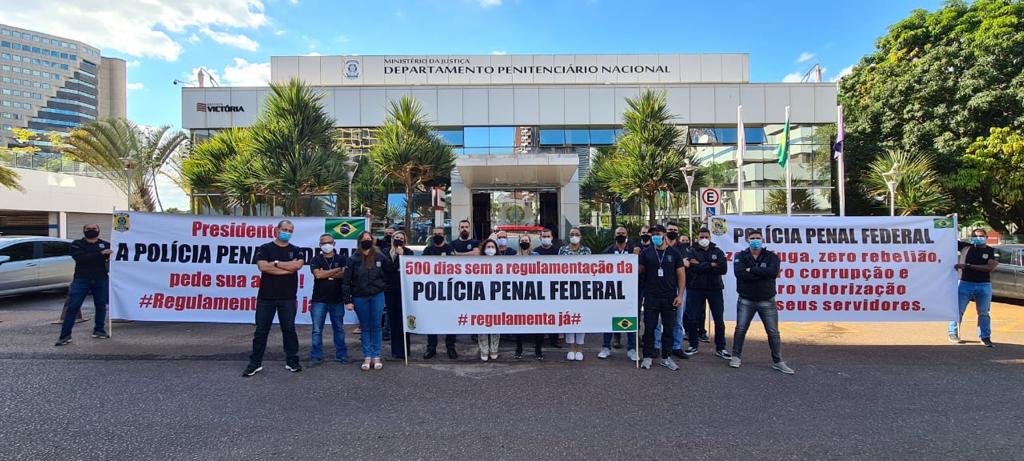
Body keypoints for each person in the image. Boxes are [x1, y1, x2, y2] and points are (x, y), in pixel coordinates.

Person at [242, 220, 304, 377]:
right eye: (284, 229)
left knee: (289, 330)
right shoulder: (265, 248)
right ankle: (255, 363)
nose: (287, 232)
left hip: (288, 298)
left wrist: (275, 264)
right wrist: (286, 268)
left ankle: (292, 361)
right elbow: (263, 267)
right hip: (266, 298)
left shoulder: (297, 250)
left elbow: (297, 266)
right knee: (261, 331)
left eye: (290, 230)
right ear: (276, 230)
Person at [730, 229, 793, 374]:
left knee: (773, 332)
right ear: (747, 240)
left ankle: (778, 361)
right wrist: (760, 273)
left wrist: (751, 270)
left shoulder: (771, 256)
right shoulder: (740, 256)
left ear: (762, 239)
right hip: (746, 300)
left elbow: (772, 273)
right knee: (740, 329)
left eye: (758, 238)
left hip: (767, 300)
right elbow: (739, 274)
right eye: (752, 238)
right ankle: (736, 357)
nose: (755, 240)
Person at [55, 224, 111, 346]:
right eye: (88, 229)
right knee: (73, 307)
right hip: (81, 279)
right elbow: (81, 258)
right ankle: (65, 336)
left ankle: (99, 330)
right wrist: (100, 254)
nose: (91, 231)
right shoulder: (77, 244)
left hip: (100, 279)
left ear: (99, 231)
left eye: (94, 229)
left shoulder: (106, 244)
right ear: (84, 231)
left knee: (101, 306)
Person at [638, 225, 685, 370]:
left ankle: (667, 357)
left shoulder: (674, 253)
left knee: (669, 328)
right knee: (650, 328)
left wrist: (680, 295)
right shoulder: (646, 253)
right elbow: (638, 271)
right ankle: (647, 356)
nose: (655, 237)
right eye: (653, 235)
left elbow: (681, 275)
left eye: (658, 234)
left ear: (664, 234)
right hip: (651, 296)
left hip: (669, 296)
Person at [343, 231, 392, 371]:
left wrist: (383, 286)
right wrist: (347, 300)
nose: (366, 241)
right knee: (365, 327)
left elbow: (390, 272)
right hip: (359, 297)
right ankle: (367, 356)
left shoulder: (380, 256)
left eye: (369, 238)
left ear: (373, 240)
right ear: (359, 241)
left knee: (376, 325)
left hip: (377, 295)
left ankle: (376, 356)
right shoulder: (353, 259)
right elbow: (346, 281)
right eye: (364, 239)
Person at [683, 228, 730, 359]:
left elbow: (723, 268)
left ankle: (721, 348)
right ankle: (693, 345)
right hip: (695, 288)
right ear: (697, 238)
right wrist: (711, 265)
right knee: (692, 318)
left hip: (715, 288)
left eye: (706, 237)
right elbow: (692, 268)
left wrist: (702, 265)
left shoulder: (717, 251)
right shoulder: (691, 251)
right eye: (702, 236)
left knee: (719, 319)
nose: (704, 239)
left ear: (710, 237)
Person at [949, 228, 999, 347]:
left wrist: (967, 266)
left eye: (981, 236)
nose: (979, 238)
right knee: (958, 311)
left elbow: (989, 268)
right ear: (971, 238)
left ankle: (985, 337)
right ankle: (953, 333)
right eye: (976, 236)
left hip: (984, 285)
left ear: (986, 237)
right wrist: (949, 222)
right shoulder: (965, 247)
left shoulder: (992, 251)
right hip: (965, 283)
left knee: (984, 313)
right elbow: (947, 238)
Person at [307, 233, 348, 366]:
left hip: (337, 299)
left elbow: (344, 274)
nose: (327, 245)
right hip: (319, 300)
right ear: (320, 245)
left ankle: (341, 355)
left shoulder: (342, 258)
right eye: (323, 243)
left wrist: (326, 273)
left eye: (329, 242)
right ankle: (316, 356)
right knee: (317, 330)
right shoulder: (315, 259)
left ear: (334, 243)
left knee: (339, 329)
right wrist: (336, 271)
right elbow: (318, 275)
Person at [598, 227, 638, 361]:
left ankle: (632, 349)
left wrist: (637, 257)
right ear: (614, 235)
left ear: (627, 235)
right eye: (618, 234)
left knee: (630, 319)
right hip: (612, 291)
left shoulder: (634, 251)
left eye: (623, 233)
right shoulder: (608, 251)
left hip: (629, 291)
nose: (620, 235)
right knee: (609, 318)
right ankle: (606, 347)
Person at [421, 226, 458, 359]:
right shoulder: (428, 250)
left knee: (450, 321)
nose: (438, 236)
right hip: (432, 291)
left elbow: (457, 268)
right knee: (432, 321)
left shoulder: (449, 249)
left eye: (440, 234)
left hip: (448, 291)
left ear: (444, 236)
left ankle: (451, 347)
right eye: (435, 234)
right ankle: (431, 348)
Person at [559, 227, 592, 361]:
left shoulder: (587, 251)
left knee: (580, 317)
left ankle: (580, 347)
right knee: (569, 317)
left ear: (581, 237)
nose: (574, 236)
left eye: (576, 234)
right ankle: (571, 347)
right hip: (566, 288)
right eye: (572, 234)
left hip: (582, 289)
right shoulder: (562, 250)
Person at [385, 231, 415, 359]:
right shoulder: (385, 252)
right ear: (392, 239)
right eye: (396, 238)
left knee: (403, 320)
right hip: (390, 289)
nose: (398, 240)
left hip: (403, 290)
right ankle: (396, 350)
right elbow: (387, 269)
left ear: (405, 241)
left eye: (401, 238)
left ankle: (405, 350)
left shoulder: (408, 252)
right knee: (393, 320)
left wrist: (402, 256)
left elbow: (410, 268)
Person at [515, 235, 544, 360]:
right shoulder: (514, 258)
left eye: (526, 241)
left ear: (530, 243)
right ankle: (519, 349)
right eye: (522, 241)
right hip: (519, 295)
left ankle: (538, 350)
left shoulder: (536, 256)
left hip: (535, 294)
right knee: (519, 324)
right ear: (519, 243)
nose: (524, 243)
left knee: (538, 323)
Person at [532, 227, 563, 348]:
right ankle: (538, 341)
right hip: (539, 288)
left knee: (553, 314)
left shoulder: (557, 252)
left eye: (548, 236)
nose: (546, 239)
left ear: (552, 238)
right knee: (539, 314)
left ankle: (553, 340)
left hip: (553, 287)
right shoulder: (535, 252)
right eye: (543, 237)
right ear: (540, 238)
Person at [474, 239, 504, 361]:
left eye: (492, 247)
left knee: (496, 324)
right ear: (484, 249)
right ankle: (484, 350)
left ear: (496, 250)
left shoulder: (502, 264)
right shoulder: (477, 263)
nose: (490, 249)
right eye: (488, 247)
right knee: (482, 324)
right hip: (481, 299)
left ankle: (494, 349)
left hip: (496, 299)